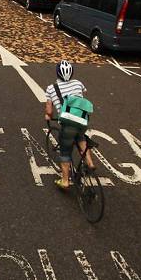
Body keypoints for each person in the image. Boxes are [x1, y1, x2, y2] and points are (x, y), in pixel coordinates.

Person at [44, 60, 95, 189]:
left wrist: (48, 116)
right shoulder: (78, 83)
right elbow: (83, 95)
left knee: (65, 152)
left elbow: (49, 110)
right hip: (82, 120)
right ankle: (89, 163)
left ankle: (65, 181)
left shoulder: (51, 88)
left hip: (68, 123)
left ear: (57, 73)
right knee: (81, 137)